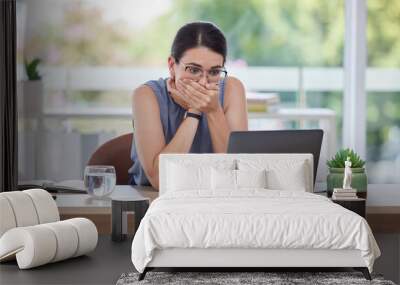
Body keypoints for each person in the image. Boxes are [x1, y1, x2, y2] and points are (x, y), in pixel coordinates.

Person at [129, 21, 248, 190]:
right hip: (153, 200)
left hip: (214, 198)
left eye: (214, 72)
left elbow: (237, 175)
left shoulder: (231, 89)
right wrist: (194, 112)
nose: (203, 82)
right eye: (193, 70)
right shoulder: (146, 96)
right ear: (172, 66)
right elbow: (160, 180)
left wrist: (213, 110)